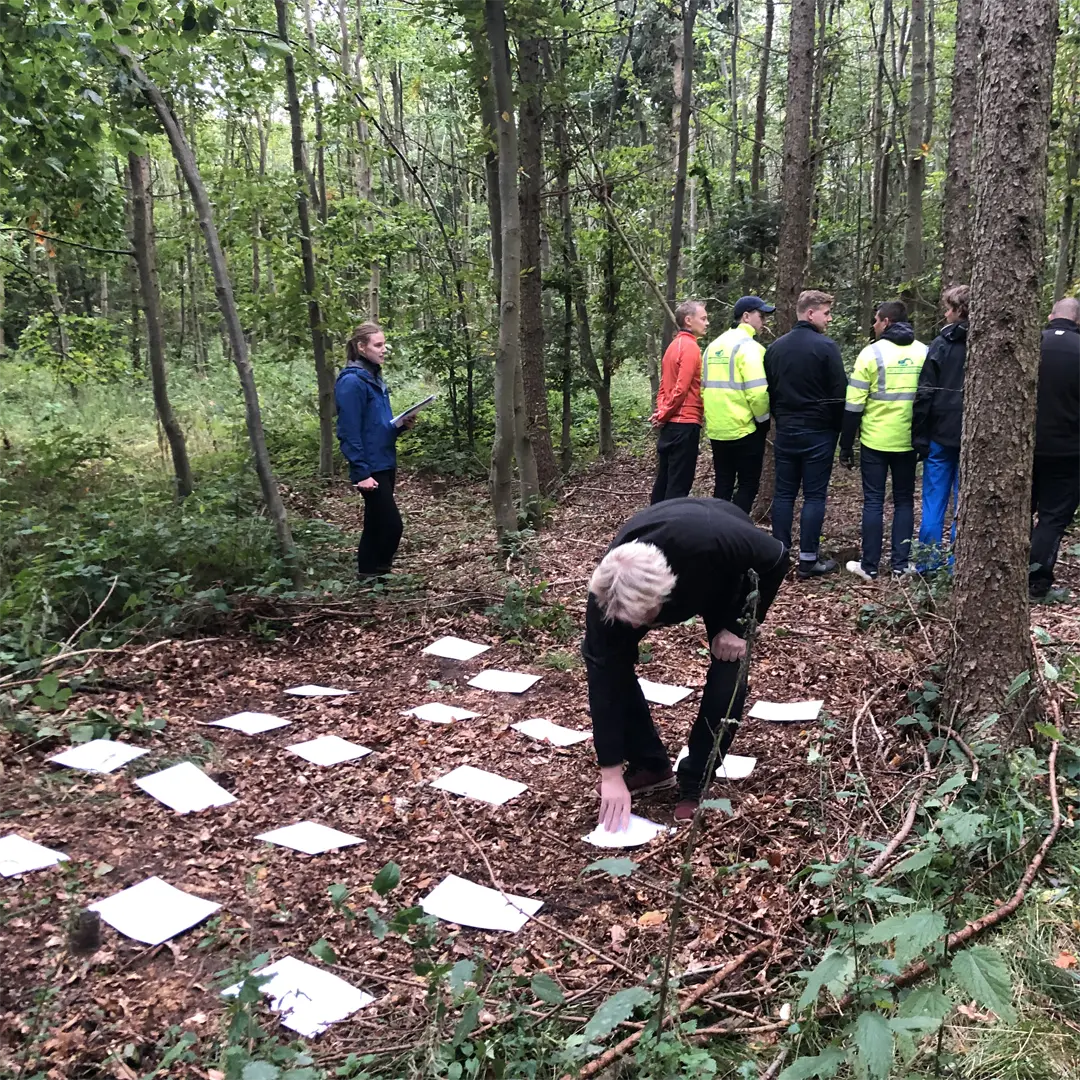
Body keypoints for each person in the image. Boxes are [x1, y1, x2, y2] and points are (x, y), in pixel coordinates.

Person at [582, 498, 789, 828]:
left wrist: (740, 626)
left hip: (723, 574)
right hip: (662, 562)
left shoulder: (712, 540)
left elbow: (777, 557)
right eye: (628, 620)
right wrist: (609, 771)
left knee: (728, 668)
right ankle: (649, 765)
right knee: (612, 665)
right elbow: (602, 679)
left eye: (642, 619)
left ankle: (696, 780)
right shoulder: (609, 593)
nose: (636, 629)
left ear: (665, 595)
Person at [841, 300, 928, 580]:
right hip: (908, 441)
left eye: (876, 320)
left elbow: (853, 404)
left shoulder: (871, 353)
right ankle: (901, 566)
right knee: (904, 502)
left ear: (887, 322)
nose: (874, 325)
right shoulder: (924, 351)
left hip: (875, 440)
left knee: (874, 502)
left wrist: (846, 443)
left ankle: (869, 566)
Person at [763, 290, 846, 579]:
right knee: (814, 495)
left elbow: (771, 391)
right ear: (810, 313)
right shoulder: (826, 348)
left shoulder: (775, 349)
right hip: (818, 432)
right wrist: (837, 430)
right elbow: (839, 394)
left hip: (787, 429)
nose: (830, 318)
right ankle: (808, 559)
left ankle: (779, 556)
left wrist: (781, 417)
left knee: (784, 494)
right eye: (826, 312)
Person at [335, 322, 415, 578]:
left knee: (374, 525)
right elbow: (348, 431)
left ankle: (368, 578)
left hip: (385, 461)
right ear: (361, 347)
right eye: (378, 345)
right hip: (370, 467)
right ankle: (379, 574)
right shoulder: (351, 383)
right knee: (392, 526)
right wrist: (361, 472)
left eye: (384, 344)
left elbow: (377, 427)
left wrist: (401, 426)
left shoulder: (373, 378)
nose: (384, 350)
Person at [911, 286, 969, 572]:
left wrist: (919, 433)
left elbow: (924, 392)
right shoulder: (987, 340)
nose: (945, 314)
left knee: (935, 500)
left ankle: (927, 564)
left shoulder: (942, 343)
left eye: (948, 308)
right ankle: (955, 565)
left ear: (959, 310)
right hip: (969, 433)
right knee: (963, 503)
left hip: (941, 432)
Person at [701, 295, 775, 513]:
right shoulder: (751, 348)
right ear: (746, 317)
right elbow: (759, 393)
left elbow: (704, 388)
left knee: (722, 485)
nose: (764, 321)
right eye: (760, 316)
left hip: (717, 429)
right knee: (748, 484)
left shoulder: (712, 347)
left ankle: (715, 531)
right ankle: (736, 533)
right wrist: (763, 422)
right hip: (745, 429)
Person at [1030, 296, 1080, 599]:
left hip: (1023, 447)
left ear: (1050, 316)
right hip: (1069, 452)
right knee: (1052, 517)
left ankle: (1007, 575)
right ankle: (1036, 581)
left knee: (1019, 511)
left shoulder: (1029, 344)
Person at [650, 301, 709, 503]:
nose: (707, 323)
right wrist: (663, 414)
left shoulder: (672, 347)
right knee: (678, 486)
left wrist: (661, 413)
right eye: (703, 318)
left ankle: (652, 527)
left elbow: (663, 388)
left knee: (664, 480)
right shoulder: (691, 347)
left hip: (671, 426)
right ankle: (668, 532)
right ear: (688, 320)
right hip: (684, 425)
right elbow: (680, 389)